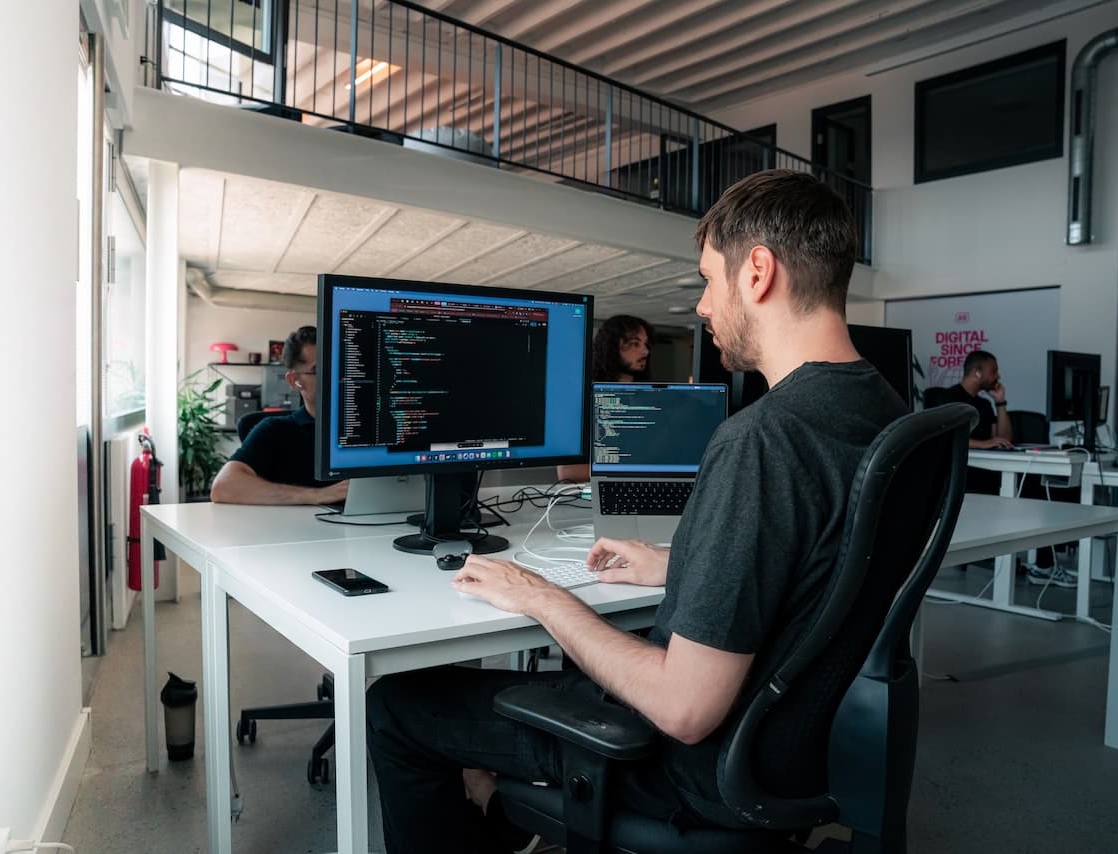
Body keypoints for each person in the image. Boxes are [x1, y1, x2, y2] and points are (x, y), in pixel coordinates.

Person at [365, 169, 908, 854]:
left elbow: (685, 708)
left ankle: (493, 804)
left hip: (696, 769)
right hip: (805, 745)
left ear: (759, 272)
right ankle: (500, 805)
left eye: (710, 279)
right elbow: (826, 567)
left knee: (395, 707)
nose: (705, 306)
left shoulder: (762, 439)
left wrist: (541, 596)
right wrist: (683, 565)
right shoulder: (886, 413)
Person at [209, 325, 348, 506]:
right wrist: (319, 495)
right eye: (318, 369)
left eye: (339, 365)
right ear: (294, 381)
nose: (334, 376)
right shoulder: (275, 430)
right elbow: (224, 487)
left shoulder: (369, 428)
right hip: (303, 532)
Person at [556, 314, 657, 483]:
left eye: (646, 345)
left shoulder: (650, 400)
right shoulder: (582, 399)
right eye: (634, 344)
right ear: (611, 346)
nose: (645, 352)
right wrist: (635, 467)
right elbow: (568, 472)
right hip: (593, 495)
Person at [941, 350, 1013, 451]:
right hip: (958, 464)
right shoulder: (948, 398)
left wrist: (1000, 401)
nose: (998, 376)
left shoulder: (985, 404)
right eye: (993, 371)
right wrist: (983, 444)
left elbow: (1004, 441)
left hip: (983, 462)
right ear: (978, 373)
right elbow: (944, 438)